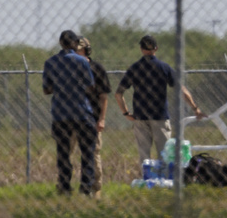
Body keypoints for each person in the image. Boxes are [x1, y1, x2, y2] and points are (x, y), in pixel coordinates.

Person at [114, 35, 205, 167]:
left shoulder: (135, 68)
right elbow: (182, 90)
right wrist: (195, 108)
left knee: (144, 156)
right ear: (156, 48)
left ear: (141, 49)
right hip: (160, 117)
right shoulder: (164, 67)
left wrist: (126, 113)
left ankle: (146, 181)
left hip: (140, 117)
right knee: (165, 155)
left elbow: (118, 93)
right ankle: (164, 183)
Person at [42, 29, 97, 195]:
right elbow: (90, 86)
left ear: (60, 43)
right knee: (87, 151)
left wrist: (61, 87)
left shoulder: (50, 63)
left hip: (60, 113)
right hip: (81, 112)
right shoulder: (81, 61)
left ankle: (65, 186)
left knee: (63, 152)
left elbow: (46, 89)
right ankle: (86, 187)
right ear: (74, 44)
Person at [76, 37, 110, 198]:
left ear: (87, 51)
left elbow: (104, 97)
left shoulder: (97, 69)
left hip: (92, 119)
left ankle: (95, 189)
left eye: (79, 50)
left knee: (93, 153)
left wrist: (101, 119)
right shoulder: (70, 69)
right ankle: (67, 190)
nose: (76, 53)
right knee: (66, 153)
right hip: (72, 119)